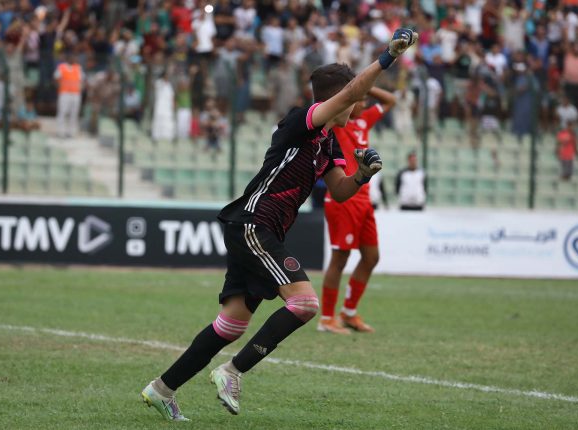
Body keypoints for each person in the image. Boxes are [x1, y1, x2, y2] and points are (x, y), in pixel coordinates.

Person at [141, 28, 417, 421]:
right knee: (305, 304)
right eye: (354, 96)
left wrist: (363, 176)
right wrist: (387, 57)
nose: (361, 103)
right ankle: (232, 372)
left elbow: (338, 191)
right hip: (255, 222)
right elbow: (355, 90)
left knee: (230, 325)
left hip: (257, 228)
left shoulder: (332, 142)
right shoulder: (302, 122)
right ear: (338, 97)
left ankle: (161, 389)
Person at [319, 86, 397, 335]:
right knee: (340, 258)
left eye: (365, 100)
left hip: (364, 199)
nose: (363, 104)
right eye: (359, 100)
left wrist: (367, 84)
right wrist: (353, 90)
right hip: (344, 197)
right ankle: (327, 318)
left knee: (371, 257)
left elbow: (391, 100)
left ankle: (349, 313)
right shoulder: (337, 121)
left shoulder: (364, 121)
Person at [54, 51, 83, 138]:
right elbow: (55, 78)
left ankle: (71, 132)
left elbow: (82, 80)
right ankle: (60, 131)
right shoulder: (62, 67)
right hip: (64, 92)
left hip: (75, 93)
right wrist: (59, 86)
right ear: (68, 59)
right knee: (63, 112)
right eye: (72, 58)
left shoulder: (78, 67)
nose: (74, 59)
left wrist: (81, 88)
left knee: (74, 113)